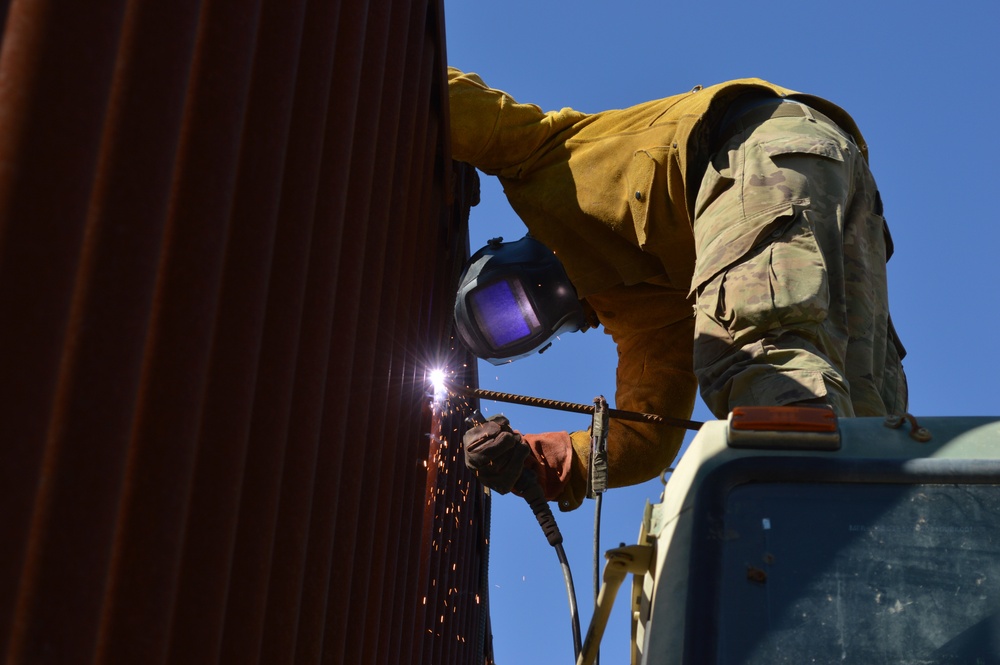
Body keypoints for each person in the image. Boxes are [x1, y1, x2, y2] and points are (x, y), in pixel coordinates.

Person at [449, 67, 908, 511]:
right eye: (517, 329)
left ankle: (801, 516)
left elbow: (439, 94)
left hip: (753, 147)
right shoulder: (646, 325)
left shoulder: (538, 161)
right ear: (546, 340)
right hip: (845, 182)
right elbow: (645, 438)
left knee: (759, 353)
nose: (527, 307)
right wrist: (533, 463)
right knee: (868, 418)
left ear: (502, 255)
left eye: (503, 299)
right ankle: (865, 537)